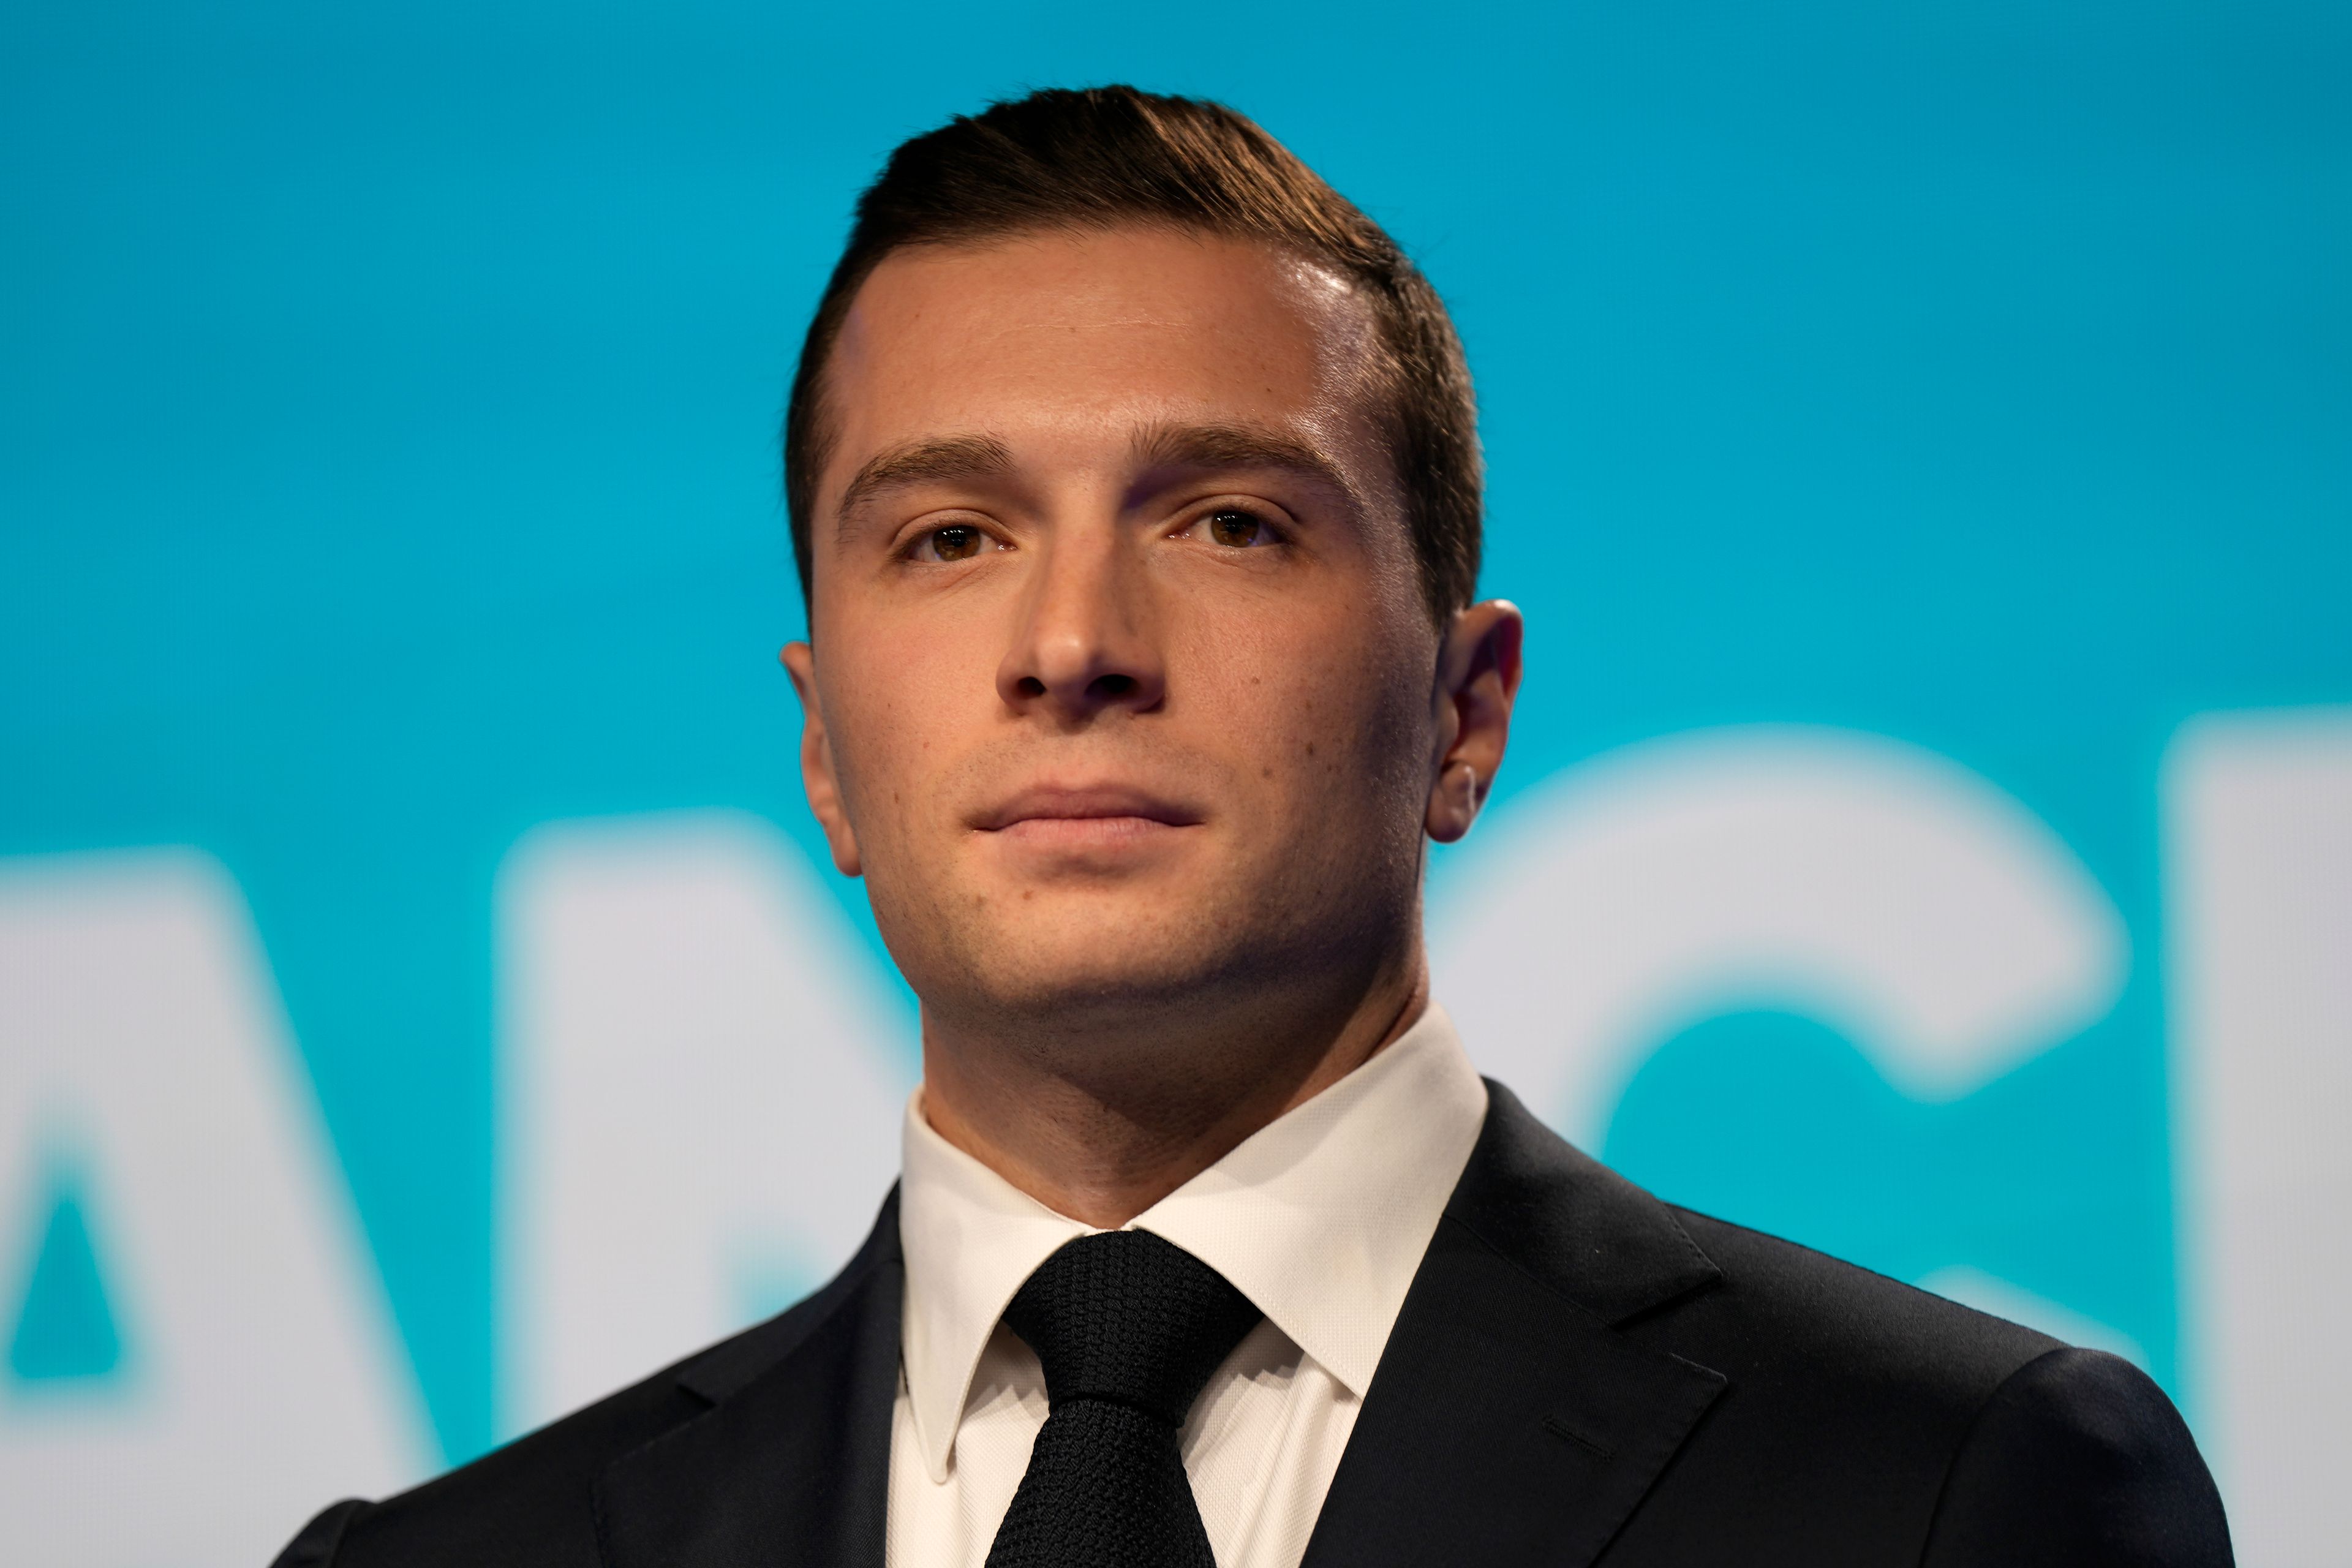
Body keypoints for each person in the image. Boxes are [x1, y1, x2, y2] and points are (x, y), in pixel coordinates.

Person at [271, 86, 2230, 1568]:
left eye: (1227, 522)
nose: (1070, 646)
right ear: (823, 756)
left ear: (1466, 714)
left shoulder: (1948, 1490)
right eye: (950, 539)